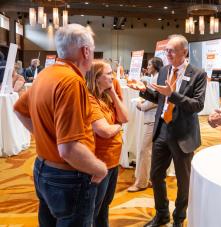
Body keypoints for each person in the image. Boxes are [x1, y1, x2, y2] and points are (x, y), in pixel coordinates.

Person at [13, 24, 107, 227]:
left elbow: (20, 109)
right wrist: (99, 168)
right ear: (86, 51)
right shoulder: (71, 82)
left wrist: (46, 138)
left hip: (43, 168)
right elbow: (69, 149)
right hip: (68, 176)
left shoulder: (45, 74)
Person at [128, 34, 207, 227]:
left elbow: (197, 105)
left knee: (183, 180)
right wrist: (144, 90)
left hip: (183, 134)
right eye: (167, 50)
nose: (167, 53)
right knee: (156, 175)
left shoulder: (198, 74)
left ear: (184, 51)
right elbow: (159, 97)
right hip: (162, 130)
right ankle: (162, 214)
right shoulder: (164, 71)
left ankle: (179, 218)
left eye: (171, 50)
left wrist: (173, 95)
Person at [86, 59, 128, 227]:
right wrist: (118, 126)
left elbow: (126, 117)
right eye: (109, 73)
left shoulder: (106, 96)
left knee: (104, 205)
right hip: (98, 162)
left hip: (112, 160)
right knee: (93, 208)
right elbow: (104, 131)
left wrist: (113, 95)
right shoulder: (90, 98)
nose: (113, 77)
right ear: (96, 78)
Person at [128, 57, 163, 192]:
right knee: (151, 150)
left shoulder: (157, 78)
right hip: (154, 118)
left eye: (149, 64)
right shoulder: (155, 77)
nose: (147, 67)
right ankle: (150, 178)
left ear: (156, 65)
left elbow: (156, 100)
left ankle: (142, 182)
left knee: (144, 150)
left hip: (153, 119)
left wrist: (141, 106)